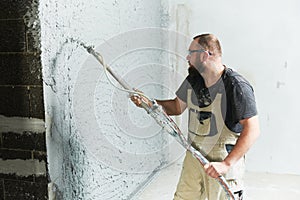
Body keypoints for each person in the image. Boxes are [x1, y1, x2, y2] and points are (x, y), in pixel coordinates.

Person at [131, 33, 260, 200]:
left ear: (205, 55)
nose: (187, 57)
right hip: (194, 156)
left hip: (221, 161)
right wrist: (148, 102)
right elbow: (176, 107)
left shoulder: (236, 86)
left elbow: (253, 130)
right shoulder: (193, 80)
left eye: (191, 52)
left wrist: (226, 164)